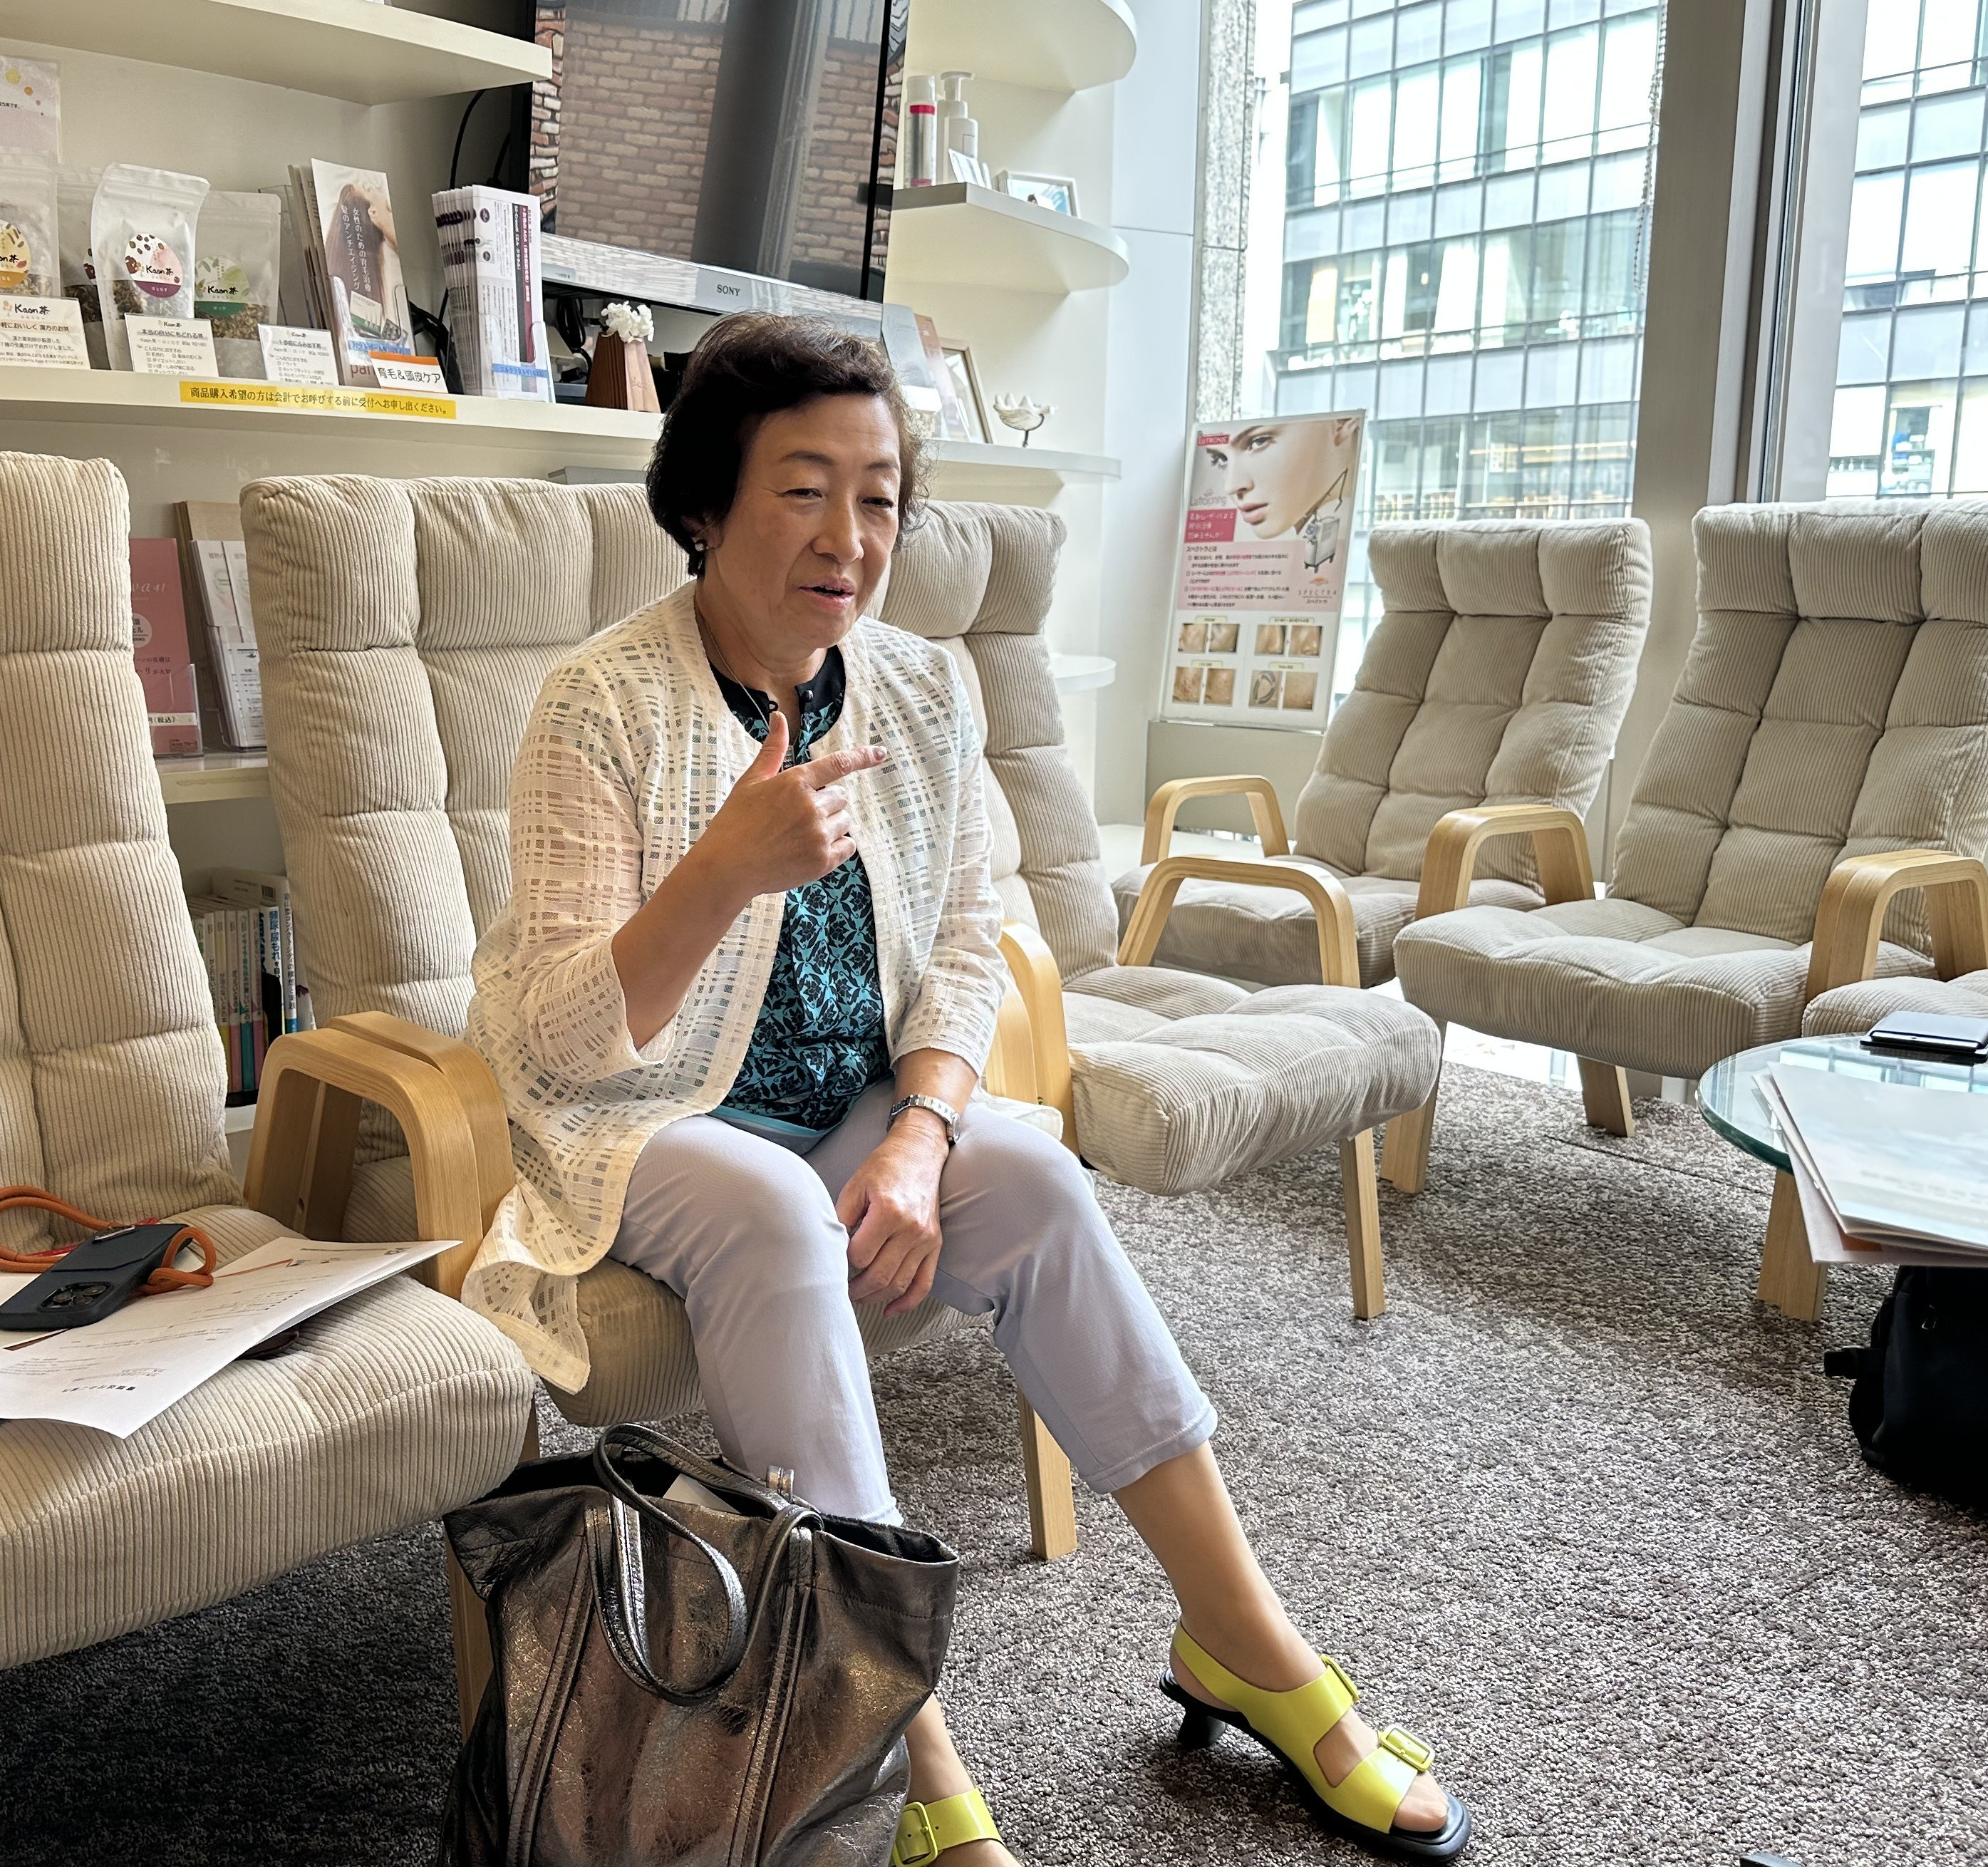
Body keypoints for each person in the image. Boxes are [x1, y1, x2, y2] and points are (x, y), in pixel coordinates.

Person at [465, 315, 1466, 1865]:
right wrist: (718, 874)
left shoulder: (922, 689)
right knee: (773, 1214)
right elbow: (558, 1042)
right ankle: (902, 1747)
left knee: (1039, 1178)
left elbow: (960, 950)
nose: (848, 537)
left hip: (856, 1106)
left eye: (877, 497)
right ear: (705, 505)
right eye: (804, 489)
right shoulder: (597, 707)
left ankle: (1242, 1639)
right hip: (648, 1124)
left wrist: (926, 1135)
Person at [1205, 415, 1362, 574]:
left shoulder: (1340, 524)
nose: (1231, 487)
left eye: (1258, 442)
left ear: (1341, 423)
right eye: (1221, 459)